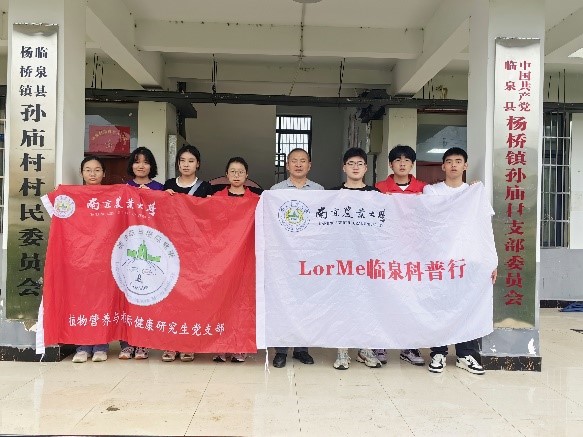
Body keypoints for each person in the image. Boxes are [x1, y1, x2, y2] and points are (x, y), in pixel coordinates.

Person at [423, 147, 497, 375]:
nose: (453, 165)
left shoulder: (474, 193)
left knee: (468, 305)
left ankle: (466, 354)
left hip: (468, 260)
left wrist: (492, 260)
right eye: (449, 161)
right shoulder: (431, 191)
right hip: (440, 259)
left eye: (458, 161)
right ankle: (438, 352)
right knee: (439, 305)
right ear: (443, 166)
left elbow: (485, 228)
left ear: (465, 166)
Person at [270, 148, 324, 368]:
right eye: (294, 161)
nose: (298, 164)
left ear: (309, 165)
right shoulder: (276, 191)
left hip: (309, 254)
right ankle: (281, 350)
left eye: (303, 161)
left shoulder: (319, 190)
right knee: (283, 300)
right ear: (287, 165)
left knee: (306, 301)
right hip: (283, 254)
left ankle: (302, 349)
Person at [330, 148, 382, 370]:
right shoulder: (333, 194)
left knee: (367, 303)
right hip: (341, 260)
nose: (355, 167)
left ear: (366, 168)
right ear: (344, 167)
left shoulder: (376, 195)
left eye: (359, 163)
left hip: (366, 259)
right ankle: (342, 351)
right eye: (351, 163)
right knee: (342, 303)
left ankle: (365, 348)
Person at [375, 145, 427, 367]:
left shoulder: (424, 189)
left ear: (412, 164)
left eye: (407, 160)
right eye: (398, 160)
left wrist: (471, 191)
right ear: (390, 164)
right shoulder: (378, 189)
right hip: (386, 253)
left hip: (414, 254)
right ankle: (379, 343)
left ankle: (409, 346)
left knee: (411, 300)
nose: (402, 163)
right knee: (384, 298)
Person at [162, 144, 212, 362]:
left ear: (197, 164)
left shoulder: (205, 187)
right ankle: (171, 344)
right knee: (171, 297)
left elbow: (211, 216)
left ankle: (188, 343)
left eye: (191, 161)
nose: (186, 165)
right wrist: (163, 197)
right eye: (182, 160)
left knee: (192, 297)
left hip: (195, 250)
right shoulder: (168, 185)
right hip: (171, 249)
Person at [211, 157, 263, 363]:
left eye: (240, 172)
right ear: (226, 174)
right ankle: (220, 346)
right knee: (221, 300)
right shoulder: (216, 198)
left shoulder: (256, 200)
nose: (236, 175)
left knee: (242, 302)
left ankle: (240, 346)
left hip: (246, 257)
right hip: (222, 257)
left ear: (247, 175)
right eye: (232, 171)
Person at [118, 147, 164, 361]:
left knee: (146, 296)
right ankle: (127, 343)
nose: (141, 166)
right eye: (137, 161)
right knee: (127, 297)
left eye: (146, 162)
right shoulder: (123, 189)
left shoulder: (160, 188)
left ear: (151, 166)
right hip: (127, 251)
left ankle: (143, 343)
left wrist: (160, 196)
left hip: (151, 252)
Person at [71, 156, 110, 363]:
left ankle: (101, 347)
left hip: (103, 259)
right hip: (80, 258)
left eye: (97, 170)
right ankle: (82, 347)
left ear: (104, 173)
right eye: (88, 170)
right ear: (82, 173)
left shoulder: (112, 196)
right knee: (82, 302)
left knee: (101, 302)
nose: (92, 174)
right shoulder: (73, 197)